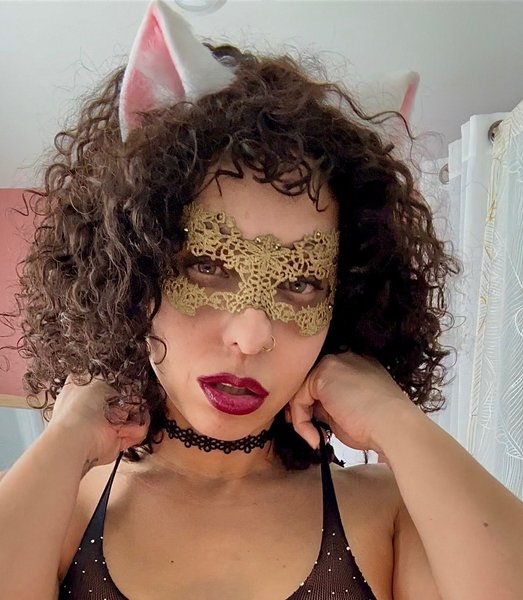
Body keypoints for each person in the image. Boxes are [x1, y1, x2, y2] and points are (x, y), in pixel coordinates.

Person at [1, 2, 522, 599]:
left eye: (299, 283)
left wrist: (395, 419)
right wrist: (67, 435)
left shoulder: (387, 515)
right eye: (208, 266)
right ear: (131, 276)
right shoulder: (58, 508)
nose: (251, 336)